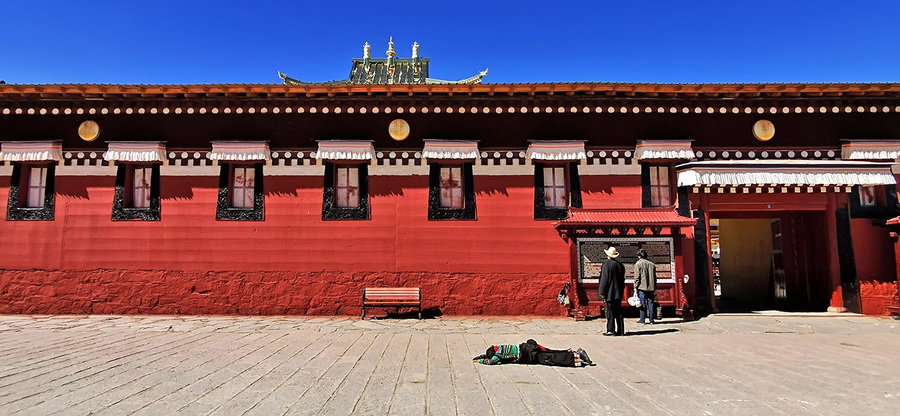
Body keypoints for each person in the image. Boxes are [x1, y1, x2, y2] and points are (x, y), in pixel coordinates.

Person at [473, 339, 593, 367]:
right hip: (528, 346)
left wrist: (480, 360)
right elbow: (490, 355)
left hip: (528, 355)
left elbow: (490, 361)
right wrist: (481, 355)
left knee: (552, 359)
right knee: (551, 352)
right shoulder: (500, 347)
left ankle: (577, 356)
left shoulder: (498, 355)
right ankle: (574, 352)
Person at [598, 246, 625, 336]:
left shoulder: (607, 265)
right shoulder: (620, 265)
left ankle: (611, 329)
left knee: (610, 312)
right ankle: (620, 330)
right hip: (618, 292)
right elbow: (622, 280)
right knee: (619, 312)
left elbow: (604, 279)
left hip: (610, 292)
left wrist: (602, 292)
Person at [633, 248, 657, 324]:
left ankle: (642, 320)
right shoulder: (652, 264)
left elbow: (637, 277)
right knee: (651, 304)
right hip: (651, 287)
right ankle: (652, 320)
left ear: (639, 256)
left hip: (642, 287)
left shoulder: (638, 264)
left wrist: (635, 286)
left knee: (642, 304)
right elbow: (655, 277)